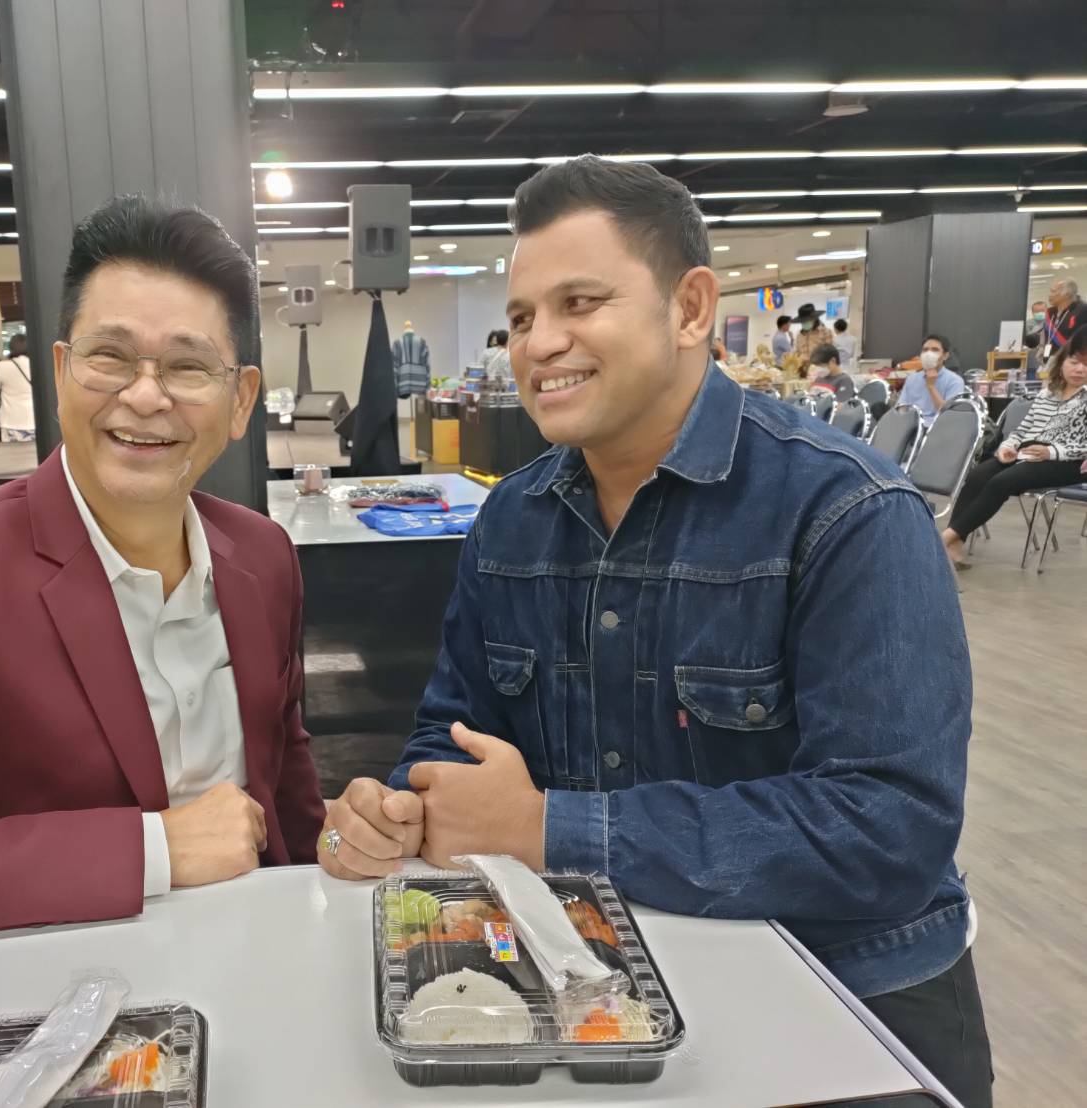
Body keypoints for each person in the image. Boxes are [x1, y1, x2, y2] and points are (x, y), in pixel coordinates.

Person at [319, 155, 991, 1107]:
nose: (539, 343)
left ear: (689, 309)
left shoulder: (845, 512)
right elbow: (452, 733)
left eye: (579, 303)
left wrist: (551, 828)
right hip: (601, 994)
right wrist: (398, 810)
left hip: (845, 994)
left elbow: (887, 828)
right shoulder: (510, 521)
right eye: (521, 317)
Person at [0, 196, 326, 939]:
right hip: (58, 987)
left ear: (241, 401)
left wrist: (343, 843)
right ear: (62, 372)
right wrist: (154, 851)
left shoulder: (262, 557)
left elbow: (287, 787)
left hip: (256, 955)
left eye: (188, 366)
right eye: (110, 358)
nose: (146, 395)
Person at [941, 330, 1087, 568]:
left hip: (1070, 463)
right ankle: (956, 543)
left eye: (1086, 365)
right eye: (1074, 362)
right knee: (978, 475)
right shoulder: (1047, 394)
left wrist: (1051, 452)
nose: (1080, 369)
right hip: (1028, 454)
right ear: (1062, 363)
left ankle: (944, 539)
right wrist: (1008, 446)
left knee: (1003, 481)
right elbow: (1023, 429)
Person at [897, 334, 967, 429]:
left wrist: (931, 386)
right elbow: (902, 408)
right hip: (911, 426)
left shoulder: (955, 381)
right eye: (925, 350)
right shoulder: (912, 378)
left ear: (945, 356)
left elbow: (947, 415)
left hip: (937, 428)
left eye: (935, 350)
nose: (929, 354)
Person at [0, 334, 36, 443]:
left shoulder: (2, 366)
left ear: (11, 347)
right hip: (32, 419)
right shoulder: (36, 364)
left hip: (10, 420)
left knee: (10, 453)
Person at [1043, 279, 1086, 356]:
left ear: (1066, 294)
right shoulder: (1050, 313)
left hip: (1072, 358)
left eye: (1053, 291)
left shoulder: (1082, 311)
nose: (1049, 295)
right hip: (1050, 358)